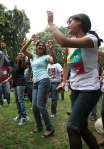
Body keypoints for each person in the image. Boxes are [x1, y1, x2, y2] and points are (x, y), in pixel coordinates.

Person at [47, 11, 103, 148]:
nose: (68, 25)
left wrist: (51, 24)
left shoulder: (91, 39)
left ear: (81, 23)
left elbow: (63, 41)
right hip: (76, 90)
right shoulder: (71, 45)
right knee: (82, 127)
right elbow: (67, 65)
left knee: (72, 127)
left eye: (70, 21)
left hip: (89, 90)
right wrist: (64, 82)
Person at [21, 35, 55, 137]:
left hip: (44, 80)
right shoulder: (34, 57)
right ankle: (39, 126)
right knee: (34, 106)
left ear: (44, 48)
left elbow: (53, 60)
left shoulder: (46, 57)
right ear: (36, 47)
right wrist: (30, 40)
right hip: (35, 83)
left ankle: (49, 128)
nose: (40, 46)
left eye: (42, 46)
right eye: (39, 45)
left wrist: (51, 49)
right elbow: (23, 50)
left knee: (40, 105)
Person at [47, 40, 63, 118]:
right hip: (47, 83)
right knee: (43, 97)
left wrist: (62, 83)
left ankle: (53, 112)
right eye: (49, 58)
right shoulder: (47, 65)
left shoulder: (57, 65)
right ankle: (43, 111)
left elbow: (62, 73)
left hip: (55, 83)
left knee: (54, 99)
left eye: (51, 57)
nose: (50, 58)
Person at [12, 53, 29, 125]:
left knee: (21, 100)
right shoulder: (15, 65)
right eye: (18, 55)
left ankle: (24, 117)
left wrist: (23, 56)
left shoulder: (22, 65)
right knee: (17, 100)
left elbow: (27, 62)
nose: (18, 56)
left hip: (21, 84)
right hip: (15, 84)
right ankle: (20, 115)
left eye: (20, 55)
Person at [0, 42, 12, 106]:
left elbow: (6, 56)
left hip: (6, 80)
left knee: (7, 92)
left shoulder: (7, 66)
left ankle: (8, 102)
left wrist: (4, 48)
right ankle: (1, 103)